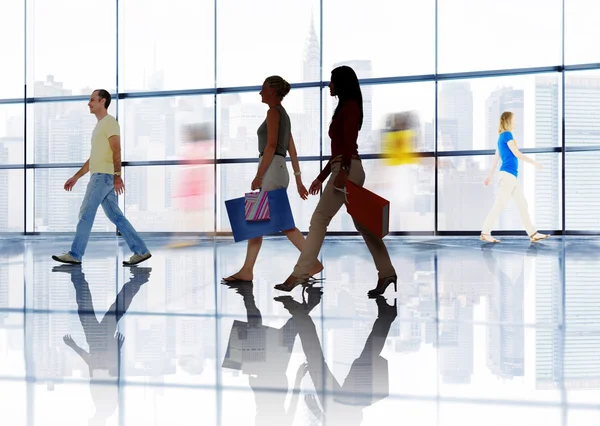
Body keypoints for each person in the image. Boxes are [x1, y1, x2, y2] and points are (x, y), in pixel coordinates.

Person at [275, 66, 397, 297]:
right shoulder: (345, 107)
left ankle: (300, 274)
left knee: (319, 219)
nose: (328, 85)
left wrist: (342, 171)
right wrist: (322, 177)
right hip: (344, 167)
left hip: (346, 168)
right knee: (364, 226)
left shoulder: (349, 107)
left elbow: (349, 143)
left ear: (340, 83)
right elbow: (339, 150)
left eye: (331, 82)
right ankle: (387, 272)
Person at [222, 76, 322, 283]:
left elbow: (271, 145)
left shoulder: (273, 112)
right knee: (257, 221)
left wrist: (259, 175)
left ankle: (311, 262)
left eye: (263, 89)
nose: (260, 92)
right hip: (279, 169)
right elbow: (292, 150)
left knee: (279, 223)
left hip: (270, 169)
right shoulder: (284, 115)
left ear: (273, 92)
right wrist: (297, 179)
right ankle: (247, 270)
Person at [52, 89, 152, 266]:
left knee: (85, 214)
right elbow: (94, 159)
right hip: (102, 176)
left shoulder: (109, 123)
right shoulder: (100, 126)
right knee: (117, 217)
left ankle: (75, 254)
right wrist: (76, 177)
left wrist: (117, 176)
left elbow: (117, 150)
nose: (89, 103)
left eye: (92, 100)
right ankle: (141, 251)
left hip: (103, 177)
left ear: (102, 101)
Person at [480, 111, 549, 244]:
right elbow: (516, 153)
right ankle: (485, 232)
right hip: (507, 176)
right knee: (500, 204)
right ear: (508, 121)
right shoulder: (507, 134)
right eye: (514, 119)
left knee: (522, 204)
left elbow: (495, 159)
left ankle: (533, 233)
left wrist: (489, 176)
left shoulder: (500, 137)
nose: (515, 122)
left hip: (510, 176)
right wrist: (535, 163)